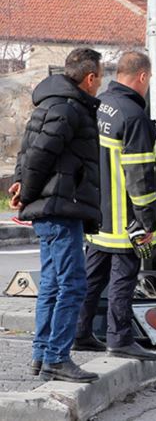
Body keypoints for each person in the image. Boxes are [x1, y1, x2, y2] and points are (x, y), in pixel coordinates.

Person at [9, 48, 103, 383]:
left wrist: (22, 184)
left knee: (51, 283)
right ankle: (57, 358)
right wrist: (28, 192)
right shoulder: (68, 107)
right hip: (61, 208)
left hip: (56, 207)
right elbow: (39, 155)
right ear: (90, 78)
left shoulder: (50, 102)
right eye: (100, 77)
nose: (99, 84)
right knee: (73, 284)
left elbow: (27, 151)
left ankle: (41, 354)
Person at [74, 51, 156, 361]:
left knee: (91, 279)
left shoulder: (101, 106)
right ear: (142, 77)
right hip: (125, 220)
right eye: (149, 80)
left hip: (97, 216)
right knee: (123, 279)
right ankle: (119, 339)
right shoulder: (133, 116)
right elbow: (140, 175)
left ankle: (79, 333)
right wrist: (148, 222)